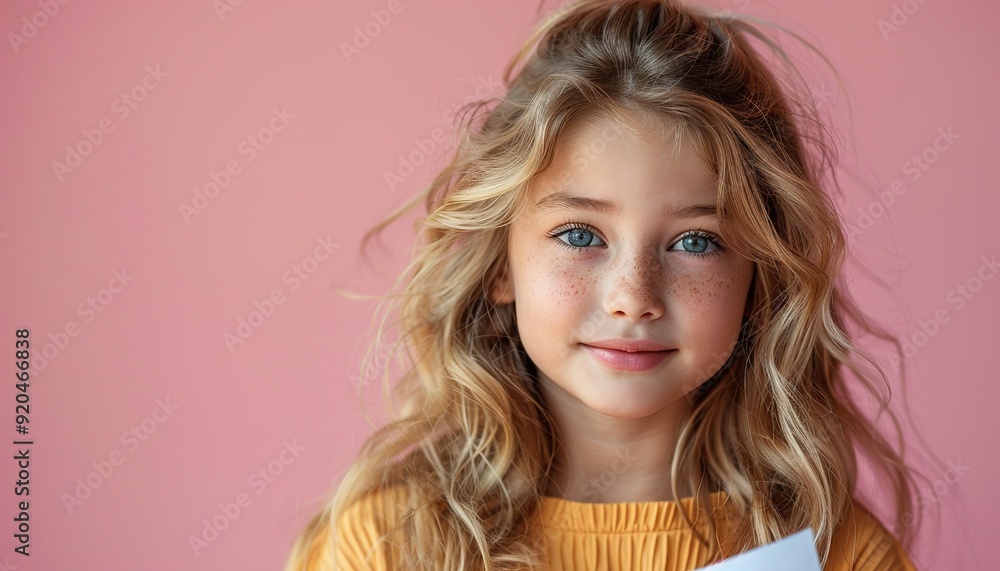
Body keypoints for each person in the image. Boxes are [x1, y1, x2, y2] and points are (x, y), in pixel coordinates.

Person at [285, 0, 929, 569]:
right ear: (502, 265)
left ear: (759, 274)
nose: (633, 297)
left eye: (695, 242)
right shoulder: (384, 548)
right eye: (579, 235)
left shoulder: (840, 558)